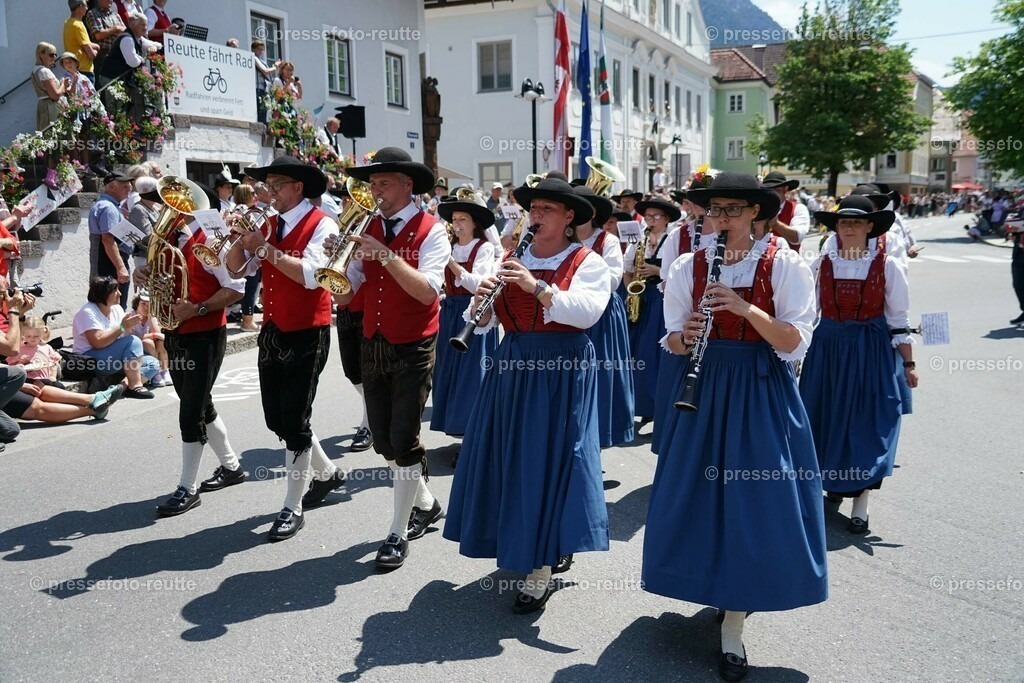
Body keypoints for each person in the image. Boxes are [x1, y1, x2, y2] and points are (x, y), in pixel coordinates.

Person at [644, 172, 826, 682]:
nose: (721, 219)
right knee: (697, 495)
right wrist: (688, 333)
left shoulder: (785, 264)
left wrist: (746, 309)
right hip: (701, 389)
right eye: (714, 209)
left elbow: (794, 341)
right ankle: (707, 584)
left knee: (755, 500)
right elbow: (671, 340)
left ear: (755, 214)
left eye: (732, 209)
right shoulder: (686, 265)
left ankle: (736, 618)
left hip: (759, 385)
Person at [443, 177, 610, 612]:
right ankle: (523, 541)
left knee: (551, 460)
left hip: (562, 368)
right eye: (533, 209)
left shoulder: (586, 261)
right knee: (511, 456)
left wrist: (537, 287)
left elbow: (588, 313)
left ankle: (541, 565)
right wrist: (480, 302)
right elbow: (479, 323)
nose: (536, 216)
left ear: (569, 217)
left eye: (547, 210)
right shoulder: (511, 257)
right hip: (513, 364)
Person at [334, 147, 450, 569]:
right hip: (372, 340)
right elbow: (347, 296)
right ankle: (426, 502)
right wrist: (337, 267)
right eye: (372, 184)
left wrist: (383, 253)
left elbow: (427, 291)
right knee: (382, 440)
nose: (374, 191)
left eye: (383, 183)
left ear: (407, 185)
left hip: (414, 344)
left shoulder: (432, 230)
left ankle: (397, 532)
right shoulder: (369, 226)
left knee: (403, 438)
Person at [226, 156, 341, 541]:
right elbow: (237, 271)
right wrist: (239, 241)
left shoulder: (323, 223)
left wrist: (263, 248)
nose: (268, 190)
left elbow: (311, 277)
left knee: (293, 418)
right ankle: (327, 473)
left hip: (308, 330)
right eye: (267, 184)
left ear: (298, 187)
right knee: (278, 418)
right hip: (274, 327)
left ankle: (292, 506)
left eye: (277, 184)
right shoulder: (268, 223)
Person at [800, 195, 918, 535]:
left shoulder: (887, 265)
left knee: (865, 422)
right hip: (827, 349)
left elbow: (899, 319)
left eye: (855, 222)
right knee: (824, 417)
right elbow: (807, 312)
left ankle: (861, 501)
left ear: (870, 227)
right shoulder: (822, 262)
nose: (848, 228)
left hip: (870, 351)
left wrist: (909, 364)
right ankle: (831, 485)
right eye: (842, 222)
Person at [132, 181, 248, 516]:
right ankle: (231, 467)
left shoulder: (213, 241)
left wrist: (197, 309)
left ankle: (187, 487)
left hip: (204, 335)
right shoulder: (167, 239)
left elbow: (236, 289)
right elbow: (164, 279)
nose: (165, 211)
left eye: (172, 205)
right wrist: (146, 273)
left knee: (190, 411)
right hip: (175, 332)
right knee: (198, 402)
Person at [431, 190, 497, 457]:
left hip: (474, 312)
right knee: (448, 372)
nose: (456, 224)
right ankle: (457, 430)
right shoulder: (450, 245)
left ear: (474, 224)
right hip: (450, 312)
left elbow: (479, 284)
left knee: (472, 376)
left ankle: (474, 437)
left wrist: (453, 265)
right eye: (454, 219)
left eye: (462, 219)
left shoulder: (485, 248)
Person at [573, 185, 634, 447]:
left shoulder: (606, 240)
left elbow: (612, 280)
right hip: (571, 312)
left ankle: (597, 441)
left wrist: (577, 277)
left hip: (603, 315)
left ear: (592, 212)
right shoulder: (562, 238)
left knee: (602, 375)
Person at [623, 197, 678, 423]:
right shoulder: (639, 239)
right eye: (648, 217)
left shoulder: (672, 239)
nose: (651, 221)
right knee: (636, 352)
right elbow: (627, 269)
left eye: (656, 217)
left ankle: (656, 405)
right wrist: (631, 291)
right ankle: (638, 404)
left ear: (666, 220)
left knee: (654, 352)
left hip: (661, 298)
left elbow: (676, 271)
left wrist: (655, 268)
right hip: (641, 298)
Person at [72, 276, 161, 398]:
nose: (119, 294)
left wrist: (129, 327)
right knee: (133, 341)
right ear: (103, 294)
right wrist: (122, 327)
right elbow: (97, 342)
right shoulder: (87, 312)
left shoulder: (116, 308)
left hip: (113, 358)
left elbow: (124, 337)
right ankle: (135, 385)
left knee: (153, 363)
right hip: (90, 360)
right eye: (115, 291)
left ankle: (121, 388)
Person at [89, 168, 135, 308]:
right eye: (124, 186)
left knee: (113, 306)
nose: (129, 189)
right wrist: (120, 267)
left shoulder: (111, 206)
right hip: (108, 263)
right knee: (110, 306)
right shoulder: (108, 207)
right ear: (111, 186)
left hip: (111, 261)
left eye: (129, 185)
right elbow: (108, 239)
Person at [127, 293, 171, 387]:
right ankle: (156, 373)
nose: (146, 307)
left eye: (149, 305)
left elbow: (158, 334)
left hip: (153, 348)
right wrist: (153, 335)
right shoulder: (131, 316)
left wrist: (151, 316)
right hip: (137, 349)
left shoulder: (151, 317)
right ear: (137, 304)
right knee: (148, 342)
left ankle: (164, 370)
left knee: (160, 342)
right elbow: (133, 337)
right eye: (143, 304)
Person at [758, 172, 809, 249]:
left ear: (785, 189)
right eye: (767, 190)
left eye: (775, 190)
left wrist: (776, 224)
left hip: (788, 259)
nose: (770, 194)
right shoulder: (756, 209)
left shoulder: (798, 208)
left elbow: (797, 238)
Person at [7, 316, 64, 383]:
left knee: (59, 386)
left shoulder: (47, 347)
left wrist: (53, 376)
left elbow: (54, 364)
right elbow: (11, 370)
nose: (32, 338)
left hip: (44, 379)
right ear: (23, 334)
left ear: (43, 333)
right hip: (27, 380)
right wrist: (21, 362)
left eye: (36, 336)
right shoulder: (19, 349)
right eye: (28, 336)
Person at [85, 0, 126, 74]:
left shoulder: (116, 15)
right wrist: (115, 29)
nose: (110, 0)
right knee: (105, 82)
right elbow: (98, 35)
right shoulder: (93, 13)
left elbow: (124, 32)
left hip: (118, 53)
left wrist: (108, 32)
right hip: (103, 55)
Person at [64, 0, 99, 83]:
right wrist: (97, 48)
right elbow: (91, 54)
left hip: (74, 70)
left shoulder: (68, 22)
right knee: (90, 96)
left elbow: (82, 43)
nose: (87, 8)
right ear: (80, 7)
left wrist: (92, 45)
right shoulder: (77, 25)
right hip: (84, 71)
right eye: (86, 5)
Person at [252, 40, 278, 124]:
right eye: (259, 49)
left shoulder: (262, 60)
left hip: (264, 89)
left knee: (264, 113)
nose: (261, 51)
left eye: (262, 49)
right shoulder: (254, 58)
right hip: (257, 88)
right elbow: (265, 71)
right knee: (260, 113)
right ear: (253, 49)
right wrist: (275, 67)